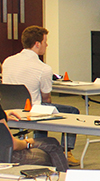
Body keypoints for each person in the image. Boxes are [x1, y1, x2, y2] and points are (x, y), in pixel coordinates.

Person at [2, 25, 80, 166]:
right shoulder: (43, 68)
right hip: (32, 109)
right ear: (37, 44)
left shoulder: (7, 61)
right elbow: (46, 98)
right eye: (45, 42)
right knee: (71, 111)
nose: (47, 45)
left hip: (9, 108)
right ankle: (66, 151)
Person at [1, 102, 72, 181]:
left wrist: (4, 115)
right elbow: (12, 144)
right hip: (6, 157)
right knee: (52, 145)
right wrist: (28, 143)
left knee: (49, 145)